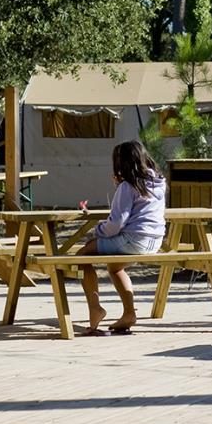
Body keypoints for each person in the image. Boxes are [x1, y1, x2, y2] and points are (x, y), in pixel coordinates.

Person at [77, 140, 167, 335]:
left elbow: (117, 223)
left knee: (82, 254)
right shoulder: (158, 182)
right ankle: (129, 314)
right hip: (155, 240)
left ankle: (95, 309)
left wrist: (98, 231)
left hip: (134, 238)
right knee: (115, 266)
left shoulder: (128, 186)